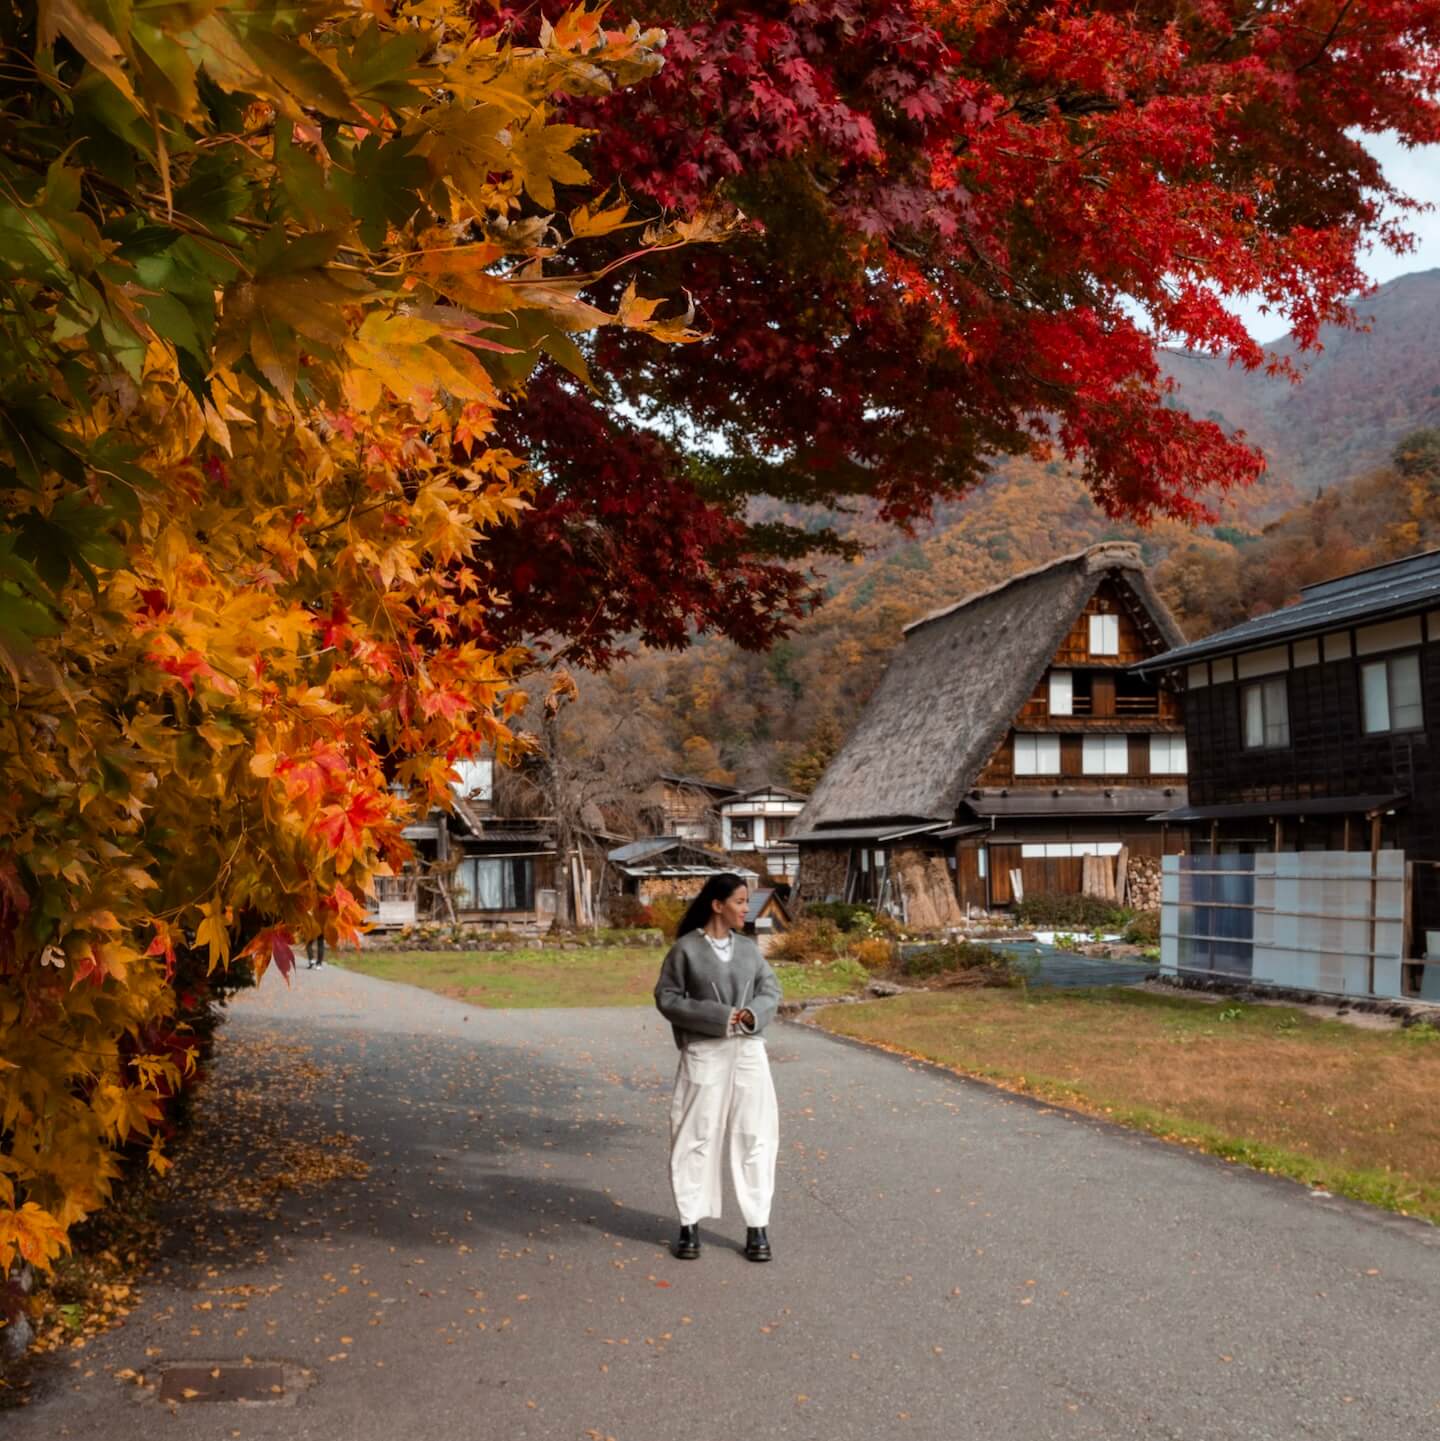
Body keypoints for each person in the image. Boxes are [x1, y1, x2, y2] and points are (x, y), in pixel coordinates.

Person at [653, 874, 783, 1263]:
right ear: (717, 905)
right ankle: (688, 1223)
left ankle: (757, 1226)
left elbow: (771, 991)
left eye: (746, 902)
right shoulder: (686, 950)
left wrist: (752, 1016)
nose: (747, 908)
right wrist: (721, 1017)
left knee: (755, 1135)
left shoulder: (749, 950)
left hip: (748, 1051)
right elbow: (667, 997)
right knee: (695, 1135)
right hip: (705, 1050)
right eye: (740, 901)